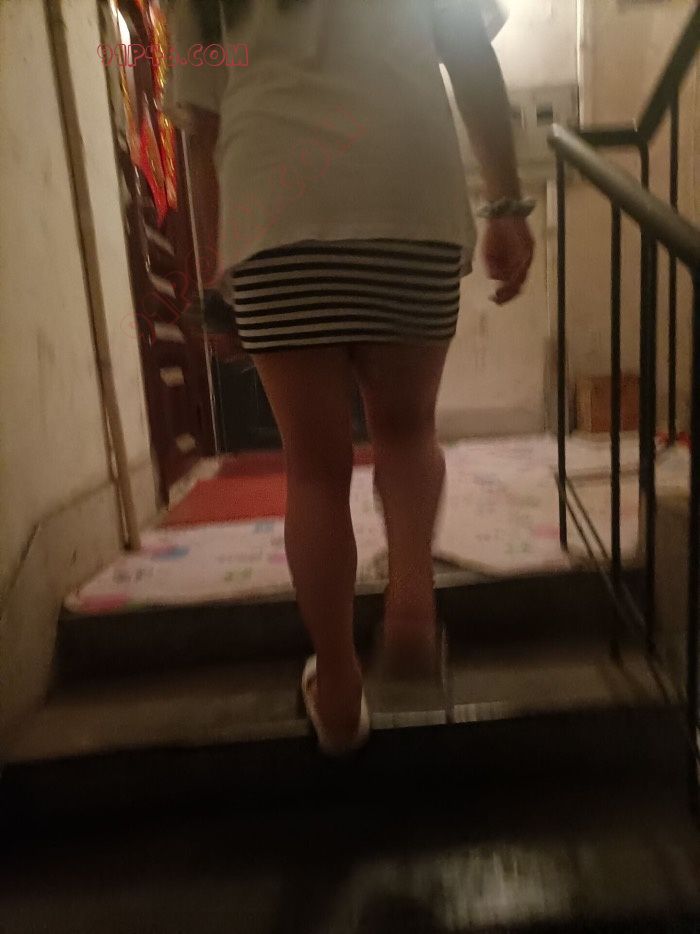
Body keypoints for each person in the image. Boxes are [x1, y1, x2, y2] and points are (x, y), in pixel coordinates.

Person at [164, 0, 534, 756]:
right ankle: (411, 606)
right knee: (407, 430)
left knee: (314, 469)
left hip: (275, 211)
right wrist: (504, 202)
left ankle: (336, 687)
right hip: (407, 196)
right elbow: (470, 57)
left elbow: (200, 126)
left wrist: (214, 280)